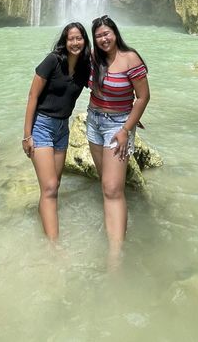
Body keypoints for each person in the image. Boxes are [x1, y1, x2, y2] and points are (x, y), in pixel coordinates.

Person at [87, 15, 150, 259]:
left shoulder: (130, 58)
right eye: (99, 35)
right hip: (93, 122)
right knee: (107, 184)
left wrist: (126, 129)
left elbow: (143, 97)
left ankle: (115, 255)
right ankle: (117, 228)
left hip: (117, 127)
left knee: (112, 189)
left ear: (115, 32)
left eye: (107, 33)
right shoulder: (94, 58)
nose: (103, 39)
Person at [22, 22, 91, 240]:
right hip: (42, 125)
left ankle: (42, 220)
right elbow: (32, 96)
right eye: (71, 38)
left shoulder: (84, 68)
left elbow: (103, 87)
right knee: (50, 186)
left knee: (54, 185)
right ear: (64, 41)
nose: (75, 42)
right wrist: (27, 135)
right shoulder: (52, 61)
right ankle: (53, 245)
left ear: (84, 41)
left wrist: (128, 111)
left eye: (79, 38)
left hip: (63, 128)